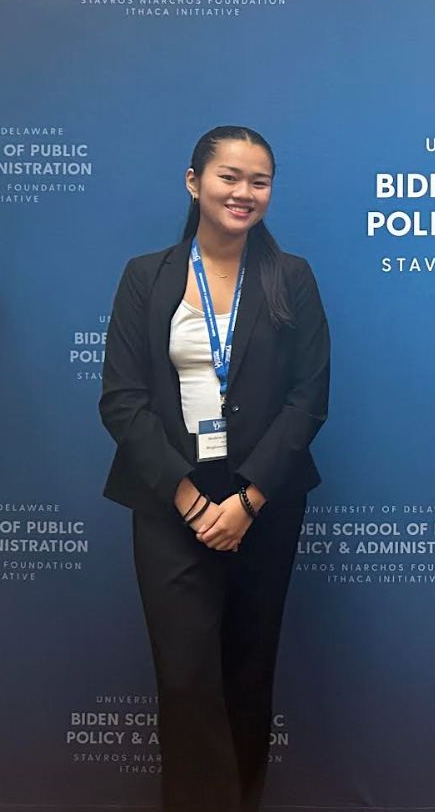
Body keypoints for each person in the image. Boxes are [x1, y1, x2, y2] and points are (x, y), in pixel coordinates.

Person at [100, 125, 330, 812]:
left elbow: (308, 400)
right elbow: (121, 400)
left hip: (264, 506)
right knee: (185, 682)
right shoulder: (147, 276)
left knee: (248, 679)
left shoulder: (291, 277)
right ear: (195, 182)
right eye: (230, 176)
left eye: (259, 181)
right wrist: (193, 502)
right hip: (171, 506)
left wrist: (248, 500)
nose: (244, 192)